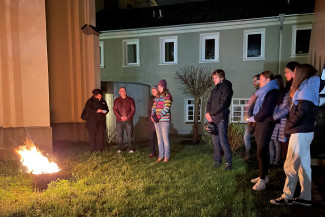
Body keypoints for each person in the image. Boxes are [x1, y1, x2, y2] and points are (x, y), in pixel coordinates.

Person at [270, 64, 320, 206]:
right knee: (304, 166)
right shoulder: (308, 88)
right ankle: (305, 197)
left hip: (300, 132)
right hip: (305, 131)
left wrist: (289, 126)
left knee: (290, 165)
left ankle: (287, 196)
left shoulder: (305, 90)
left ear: (300, 73)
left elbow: (302, 112)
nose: (289, 76)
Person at [249, 71, 279, 191]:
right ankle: (263, 176)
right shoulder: (264, 92)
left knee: (261, 151)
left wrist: (254, 118)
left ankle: (262, 181)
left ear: (267, 80)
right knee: (261, 151)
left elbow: (267, 109)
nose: (258, 81)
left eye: (261, 79)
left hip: (265, 124)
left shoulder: (272, 91)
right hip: (260, 123)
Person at [205, 69, 233, 171]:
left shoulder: (226, 88)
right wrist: (208, 114)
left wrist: (211, 114)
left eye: (215, 78)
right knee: (215, 142)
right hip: (213, 119)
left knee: (223, 141)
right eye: (213, 78)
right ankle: (217, 161)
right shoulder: (214, 90)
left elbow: (223, 103)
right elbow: (209, 102)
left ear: (221, 77)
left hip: (221, 118)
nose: (213, 80)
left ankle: (228, 163)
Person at [269, 75, 291, 167]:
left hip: (280, 121)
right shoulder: (273, 92)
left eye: (278, 82)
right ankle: (271, 160)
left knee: (278, 141)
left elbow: (285, 107)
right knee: (271, 141)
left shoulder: (284, 93)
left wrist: (274, 115)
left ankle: (277, 161)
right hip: (273, 120)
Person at [280, 61, 299, 159]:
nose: (285, 74)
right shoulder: (289, 88)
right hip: (286, 123)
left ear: (294, 72)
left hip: (291, 124)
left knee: (291, 151)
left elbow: (289, 107)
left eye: (287, 71)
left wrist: (274, 115)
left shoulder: (297, 89)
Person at [151, 79, 173, 163]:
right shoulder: (157, 97)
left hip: (164, 121)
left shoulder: (168, 96)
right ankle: (161, 156)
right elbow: (154, 107)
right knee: (159, 139)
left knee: (165, 139)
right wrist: (153, 115)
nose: (159, 88)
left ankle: (166, 156)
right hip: (157, 121)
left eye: (160, 87)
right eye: (158, 87)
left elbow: (166, 108)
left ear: (164, 87)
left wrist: (158, 116)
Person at [113, 87, 136, 153]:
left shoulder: (130, 100)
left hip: (128, 120)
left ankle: (130, 148)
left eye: (124, 91)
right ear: (119, 92)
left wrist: (127, 117)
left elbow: (133, 109)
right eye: (122, 91)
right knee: (119, 134)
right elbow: (114, 109)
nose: (123, 92)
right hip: (119, 120)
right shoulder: (116, 100)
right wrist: (120, 117)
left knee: (129, 134)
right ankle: (120, 148)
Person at [244, 74, 260, 160]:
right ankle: (247, 154)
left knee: (258, 139)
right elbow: (251, 106)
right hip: (252, 119)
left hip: (258, 120)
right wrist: (248, 116)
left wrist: (254, 120)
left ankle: (258, 157)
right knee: (247, 136)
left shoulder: (262, 92)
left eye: (255, 81)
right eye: (253, 81)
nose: (253, 83)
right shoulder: (256, 92)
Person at [148, 86, 158, 158]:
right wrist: (150, 117)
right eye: (152, 91)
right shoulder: (151, 101)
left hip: (159, 121)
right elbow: (149, 110)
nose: (153, 92)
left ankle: (162, 153)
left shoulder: (161, 100)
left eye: (154, 91)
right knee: (151, 138)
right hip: (152, 122)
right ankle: (153, 152)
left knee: (160, 138)